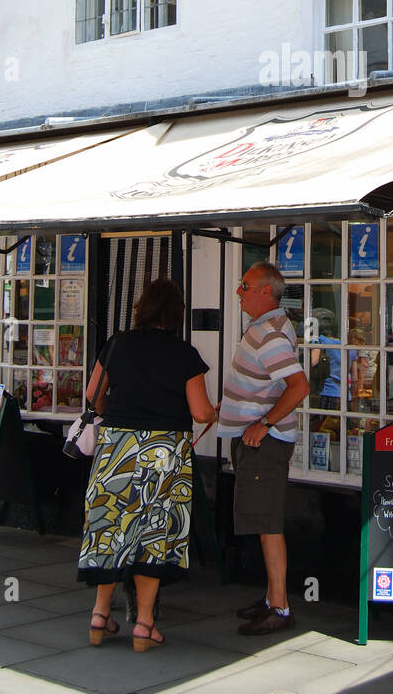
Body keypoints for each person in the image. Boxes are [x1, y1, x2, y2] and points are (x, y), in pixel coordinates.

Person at [77, 278, 218, 652]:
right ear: (175, 314)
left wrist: (120, 417)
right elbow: (201, 411)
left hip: (116, 451)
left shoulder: (117, 344)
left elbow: (93, 396)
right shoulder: (184, 354)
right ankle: (144, 625)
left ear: (142, 307)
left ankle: (99, 616)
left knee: (110, 530)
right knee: (154, 536)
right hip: (164, 454)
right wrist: (216, 413)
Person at [217, 261, 309, 635]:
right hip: (256, 440)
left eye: (245, 285)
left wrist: (263, 424)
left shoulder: (269, 334)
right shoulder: (266, 327)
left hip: (264, 445)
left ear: (265, 292)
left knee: (268, 523)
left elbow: (299, 387)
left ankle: (281, 608)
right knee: (262, 520)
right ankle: (273, 599)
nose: (238, 292)